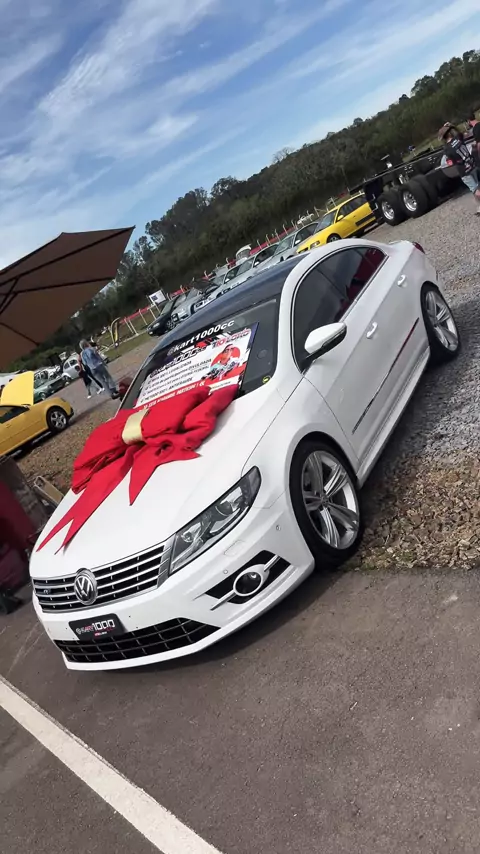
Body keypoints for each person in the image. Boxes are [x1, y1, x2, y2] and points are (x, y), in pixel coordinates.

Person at [439, 123, 480, 214]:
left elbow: (452, 160)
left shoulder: (446, 149)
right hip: (472, 165)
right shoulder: (458, 138)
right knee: (477, 186)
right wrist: (452, 126)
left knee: (475, 190)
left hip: (464, 171)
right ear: (450, 133)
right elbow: (460, 132)